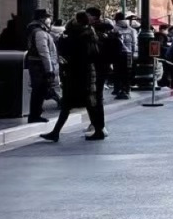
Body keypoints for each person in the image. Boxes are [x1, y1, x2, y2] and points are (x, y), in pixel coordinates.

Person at [41, 12, 105, 141]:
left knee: (72, 104)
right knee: (85, 104)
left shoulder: (77, 36)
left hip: (77, 74)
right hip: (86, 74)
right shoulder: (90, 34)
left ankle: (56, 132)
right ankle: (98, 130)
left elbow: (70, 52)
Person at [25, 8, 60, 123]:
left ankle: (36, 113)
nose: (49, 20)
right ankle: (35, 114)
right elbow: (44, 52)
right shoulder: (39, 32)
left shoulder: (38, 30)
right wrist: (49, 69)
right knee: (39, 90)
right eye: (47, 17)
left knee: (39, 90)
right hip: (39, 66)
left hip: (37, 64)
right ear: (42, 19)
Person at [112, 12, 136, 98]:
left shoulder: (114, 29)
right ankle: (126, 88)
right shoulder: (131, 29)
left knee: (117, 71)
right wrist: (133, 53)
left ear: (116, 19)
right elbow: (134, 43)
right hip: (129, 53)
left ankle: (117, 88)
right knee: (127, 72)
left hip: (118, 53)